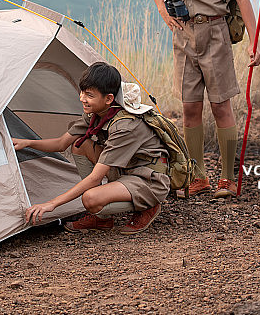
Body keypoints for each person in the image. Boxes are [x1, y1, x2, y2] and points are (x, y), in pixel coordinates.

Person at [149, 0, 260, 198]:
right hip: (184, 36)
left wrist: (255, 42)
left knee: (221, 105)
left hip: (215, 34)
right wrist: (163, 12)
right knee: (189, 108)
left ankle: (227, 178)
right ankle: (197, 175)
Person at [14, 62, 170, 234]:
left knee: (90, 199)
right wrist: (27, 143)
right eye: (82, 92)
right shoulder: (97, 113)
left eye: (89, 95)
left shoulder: (124, 126)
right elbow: (61, 143)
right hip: (125, 169)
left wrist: (52, 204)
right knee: (80, 145)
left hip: (147, 179)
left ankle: (148, 204)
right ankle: (103, 219)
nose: (82, 98)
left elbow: (95, 178)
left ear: (109, 98)